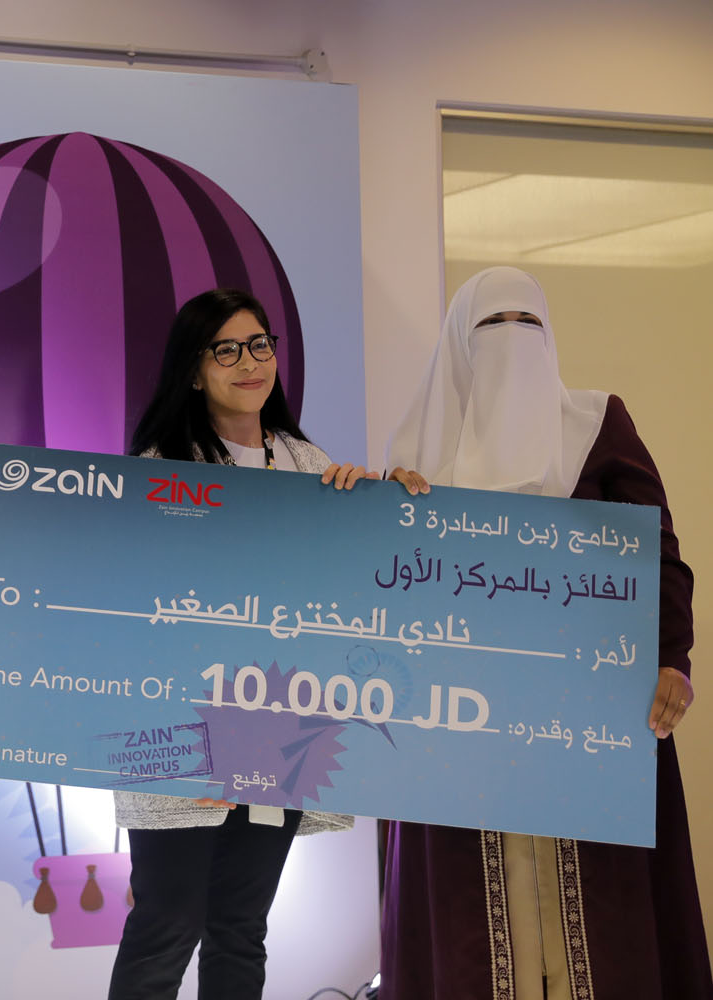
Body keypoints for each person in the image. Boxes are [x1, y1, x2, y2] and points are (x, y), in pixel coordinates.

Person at [379, 265, 710, 999]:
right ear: (458, 343)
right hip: (460, 724)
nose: (511, 342)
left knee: (600, 915)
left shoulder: (595, 424)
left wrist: (671, 658)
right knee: (474, 920)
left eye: (527, 323)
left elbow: (658, 551)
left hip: (589, 711)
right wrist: (380, 510)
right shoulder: (417, 453)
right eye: (491, 326)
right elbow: (391, 586)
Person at [107, 288, 423, 1000]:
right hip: (181, 730)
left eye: (259, 344)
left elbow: (355, 590)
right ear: (194, 371)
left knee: (241, 927)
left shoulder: (311, 465)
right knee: (166, 922)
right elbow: (136, 605)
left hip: (278, 727)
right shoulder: (160, 469)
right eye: (226, 350)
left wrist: (385, 507)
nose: (249, 362)